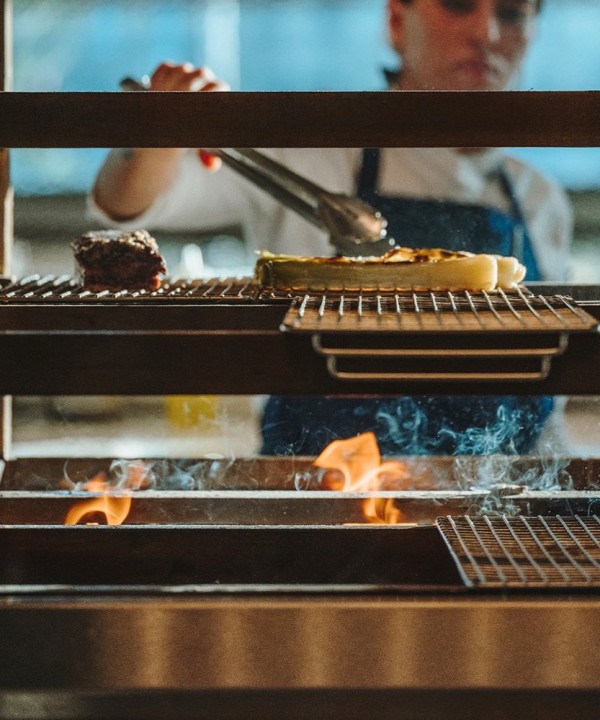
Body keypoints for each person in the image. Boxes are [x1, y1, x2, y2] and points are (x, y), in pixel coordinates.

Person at [90, 0, 572, 457]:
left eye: (511, 14)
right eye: (458, 5)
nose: (486, 33)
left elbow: (546, 404)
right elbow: (128, 204)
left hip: (489, 505)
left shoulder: (539, 200)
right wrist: (158, 130)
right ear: (396, 23)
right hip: (322, 497)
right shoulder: (316, 150)